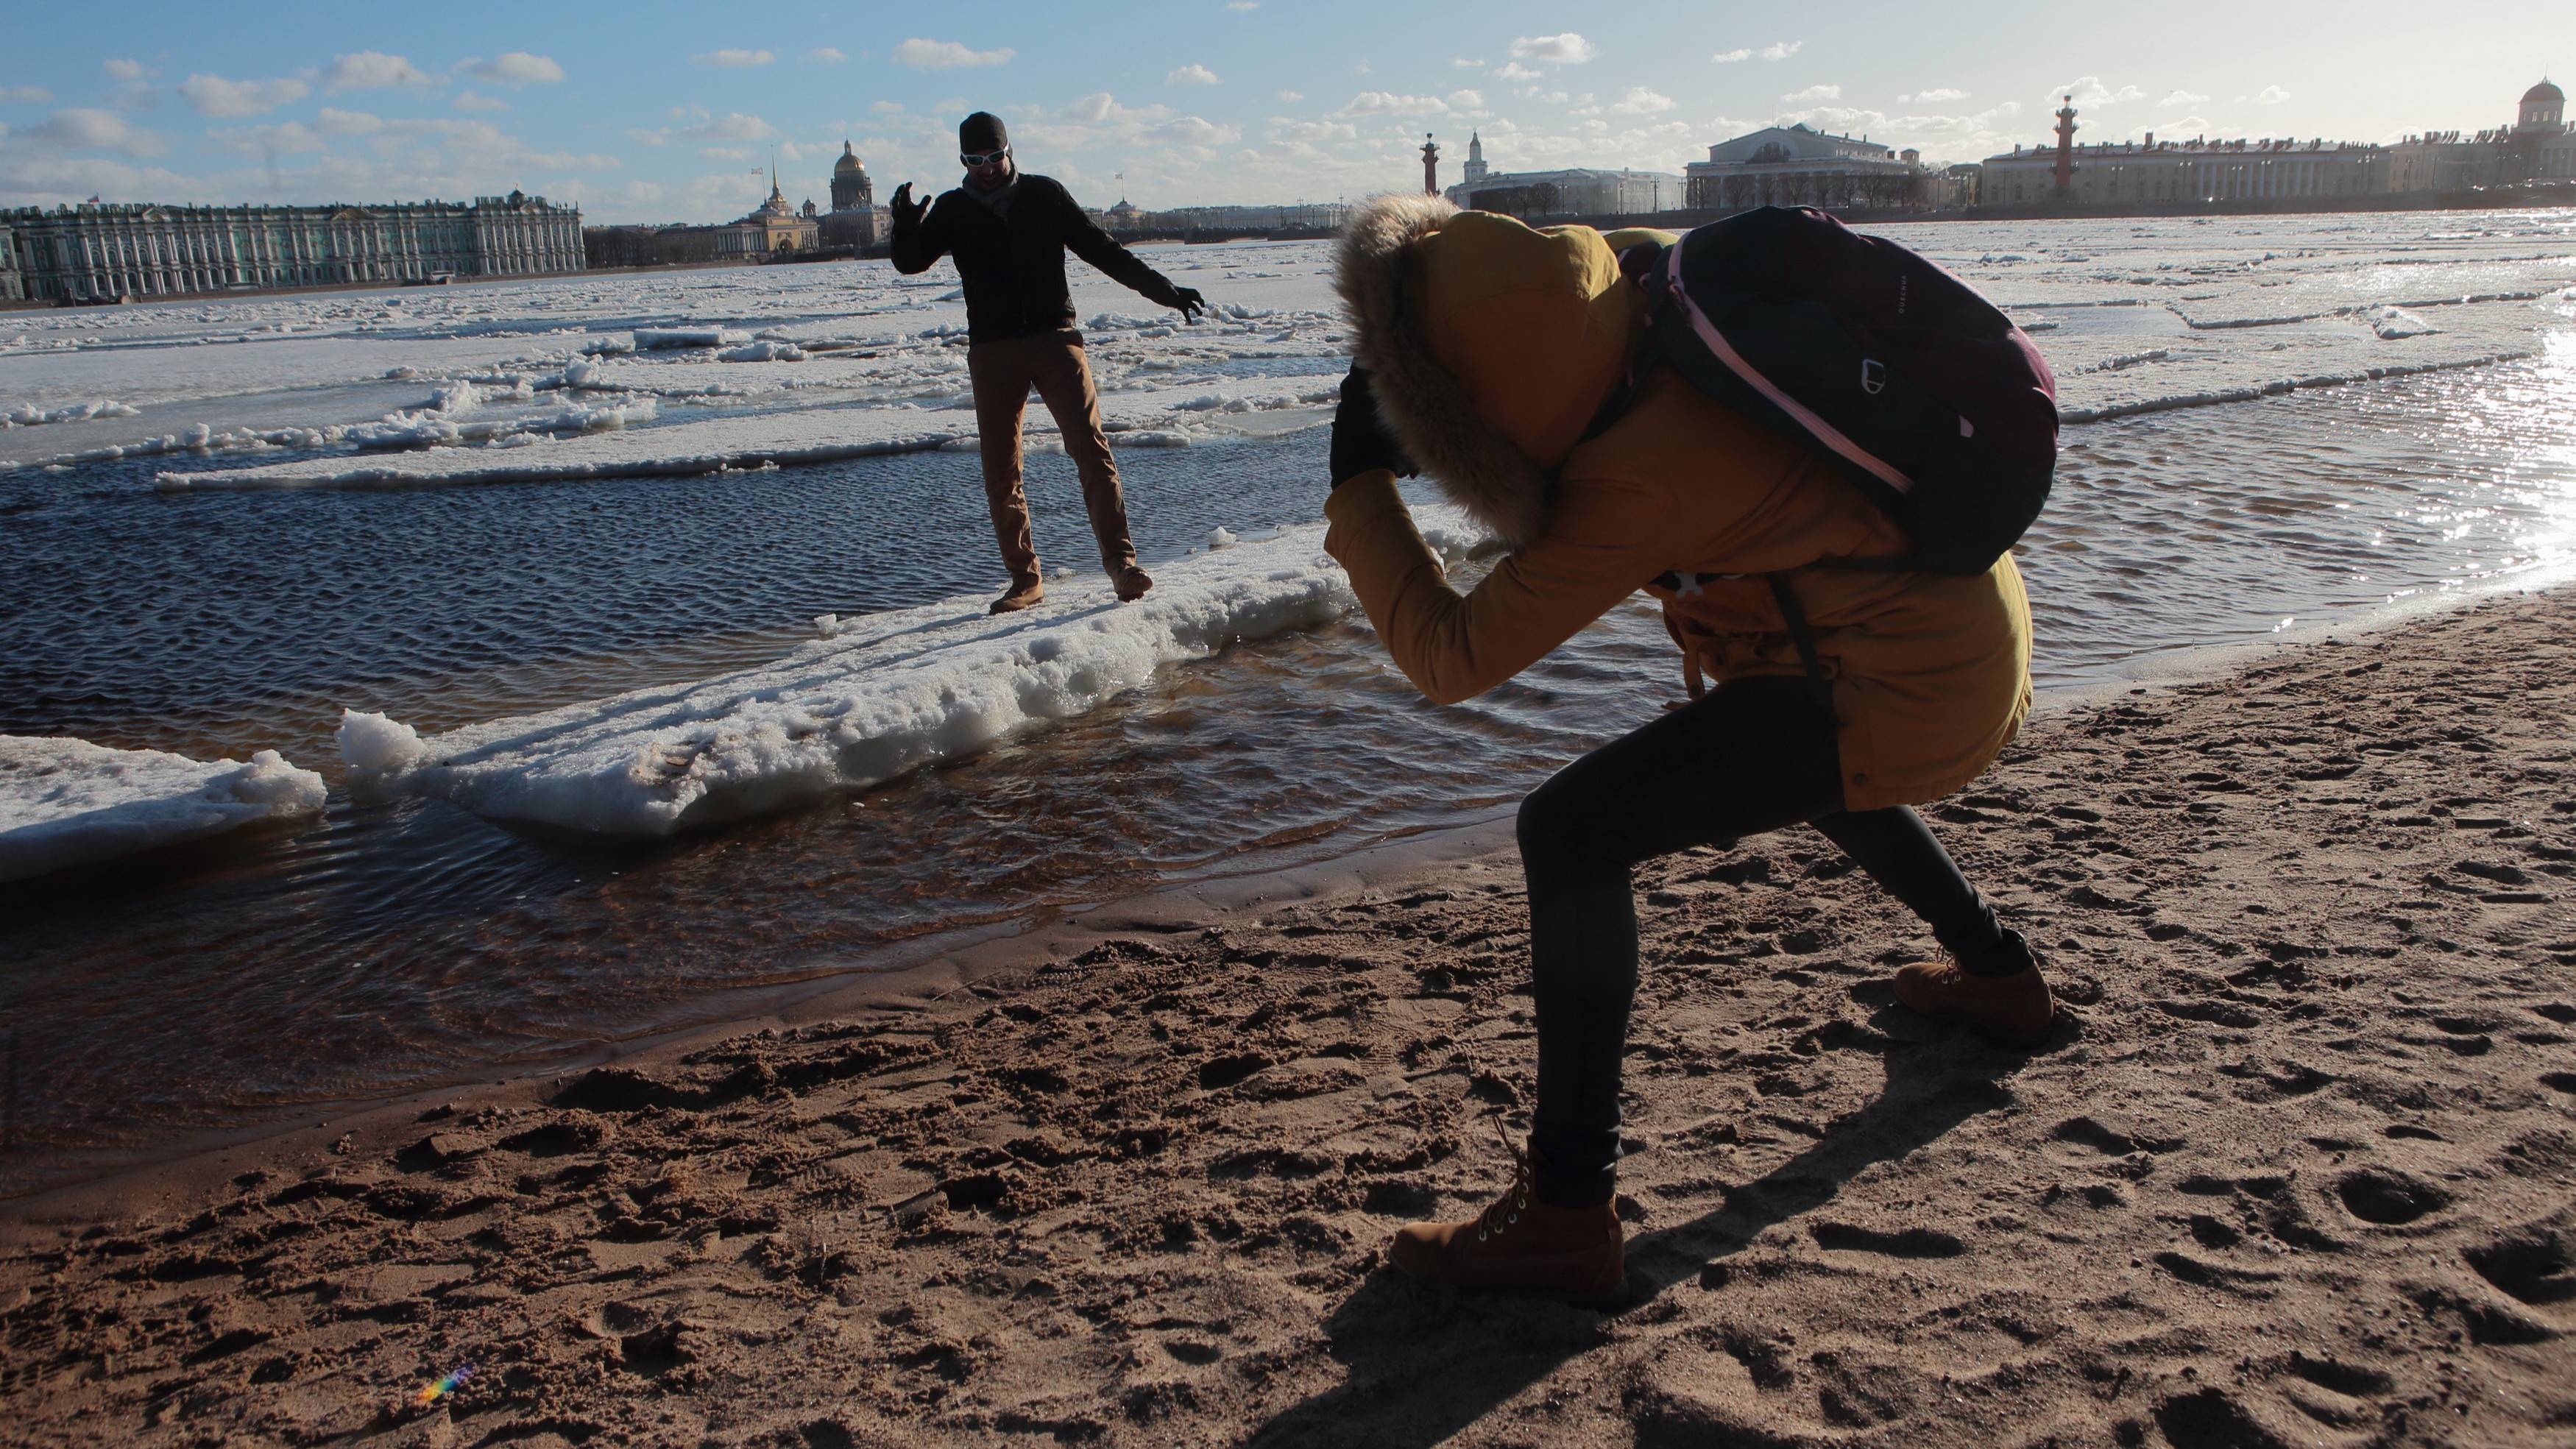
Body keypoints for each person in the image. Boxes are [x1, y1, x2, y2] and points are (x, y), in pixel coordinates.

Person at [1320, 194, 2049, 1302]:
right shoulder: (1646, 292)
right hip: (1946, 626)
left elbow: (1452, 655)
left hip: (1906, 675)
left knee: (1570, 830)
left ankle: (1566, 1210)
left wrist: (1358, 484)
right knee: (1772, 752)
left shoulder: (1641, 469)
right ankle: (1997, 976)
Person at [890, 112, 1208, 613]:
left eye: (995, 157)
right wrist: (904, 229)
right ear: (964, 162)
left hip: (1057, 341)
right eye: (976, 161)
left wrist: (1166, 292)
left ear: (1009, 150)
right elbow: (910, 262)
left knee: (1091, 450)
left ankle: (1122, 567)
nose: (988, 169)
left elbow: (1105, 252)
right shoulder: (952, 210)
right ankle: (1025, 580)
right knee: (1001, 471)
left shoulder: (1045, 195)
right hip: (993, 352)